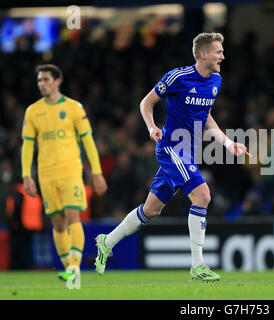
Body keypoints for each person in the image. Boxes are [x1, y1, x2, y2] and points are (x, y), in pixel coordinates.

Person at [94, 32, 250, 282]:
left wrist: (228, 142)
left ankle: (107, 241)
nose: (223, 56)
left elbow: (205, 116)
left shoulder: (216, 81)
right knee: (203, 195)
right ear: (203, 54)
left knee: (150, 210)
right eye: (218, 51)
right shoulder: (178, 77)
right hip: (171, 148)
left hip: (188, 152)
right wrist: (151, 127)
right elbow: (146, 103)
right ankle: (197, 265)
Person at [21, 64, 108, 285]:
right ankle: (70, 268)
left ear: (57, 81)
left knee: (72, 217)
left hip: (70, 171)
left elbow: (88, 142)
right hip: (46, 174)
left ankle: (73, 268)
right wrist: (26, 175)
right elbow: (27, 146)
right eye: (39, 80)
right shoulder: (33, 111)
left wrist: (96, 173)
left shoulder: (74, 108)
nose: (42, 84)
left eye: (46, 80)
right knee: (58, 223)